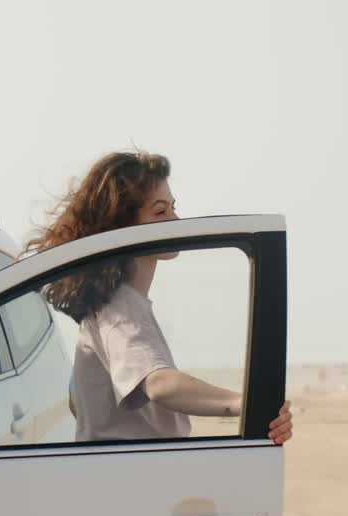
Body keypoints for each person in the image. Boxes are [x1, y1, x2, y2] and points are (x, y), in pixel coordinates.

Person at [27, 150, 294, 445]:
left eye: (172, 208)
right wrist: (249, 403)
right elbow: (160, 383)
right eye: (160, 211)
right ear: (123, 227)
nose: (176, 220)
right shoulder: (119, 310)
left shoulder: (120, 306)